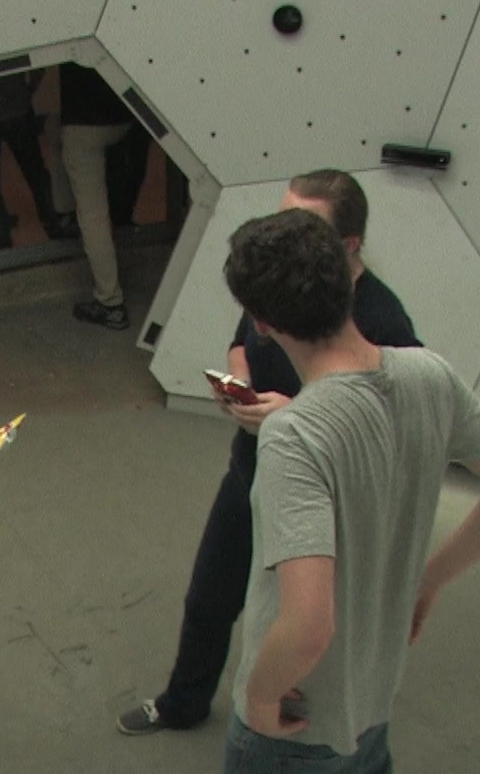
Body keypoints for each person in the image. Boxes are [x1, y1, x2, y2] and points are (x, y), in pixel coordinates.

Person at [209, 207, 480, 774]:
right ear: (347, 278)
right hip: (374, 687)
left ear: (262, 323)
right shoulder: (428, 375)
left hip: (296, 716)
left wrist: (260, 699)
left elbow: (308, 622)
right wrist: (428, 581)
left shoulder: (296, 436)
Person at [118, 170, 420, 739]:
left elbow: (391, 424)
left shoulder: (383, 320)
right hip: (251, 475)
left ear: (349, 244)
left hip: (324, 501)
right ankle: (184, 703)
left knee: (305, 621)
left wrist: (296, 415)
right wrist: (242, 385)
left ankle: (299, 721)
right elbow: (243, 342)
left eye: (303, 225)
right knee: (209, 600)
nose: (284, 237)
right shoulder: (281, 279)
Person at [56, 62, 138, 330]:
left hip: (82, 124)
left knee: (93, 218)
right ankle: (68, 213)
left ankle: (110, 302)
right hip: (125, 116)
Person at [0, 73, 66, 250]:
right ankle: (57, 226)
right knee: (36, 172)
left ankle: (0, 245)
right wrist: (29, 88)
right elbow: (38, 67)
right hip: (18, 106)